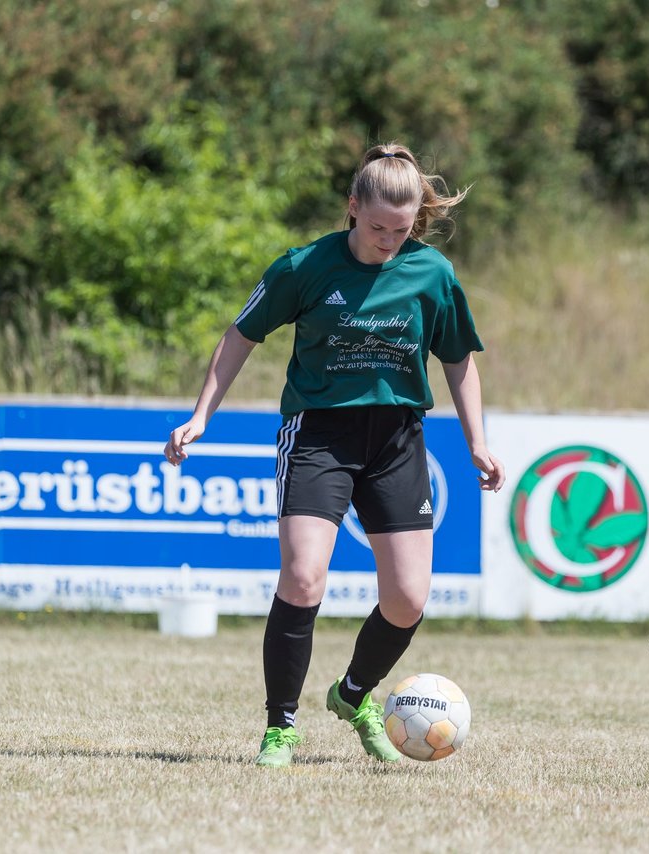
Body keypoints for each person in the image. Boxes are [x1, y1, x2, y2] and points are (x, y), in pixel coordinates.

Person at [164, 142, 505, 767]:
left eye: (401, 231)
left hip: (398, 440)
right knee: (302, 576)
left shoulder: (433, 274)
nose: (388, 241)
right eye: (376, 227)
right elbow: (240, 335)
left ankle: (353, 695)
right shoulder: (305, 267)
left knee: (407, 599)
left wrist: (476, 442)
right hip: (319, 435)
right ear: (352, 208)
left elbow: (458, 360)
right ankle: (281, 728)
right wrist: (200, 415)